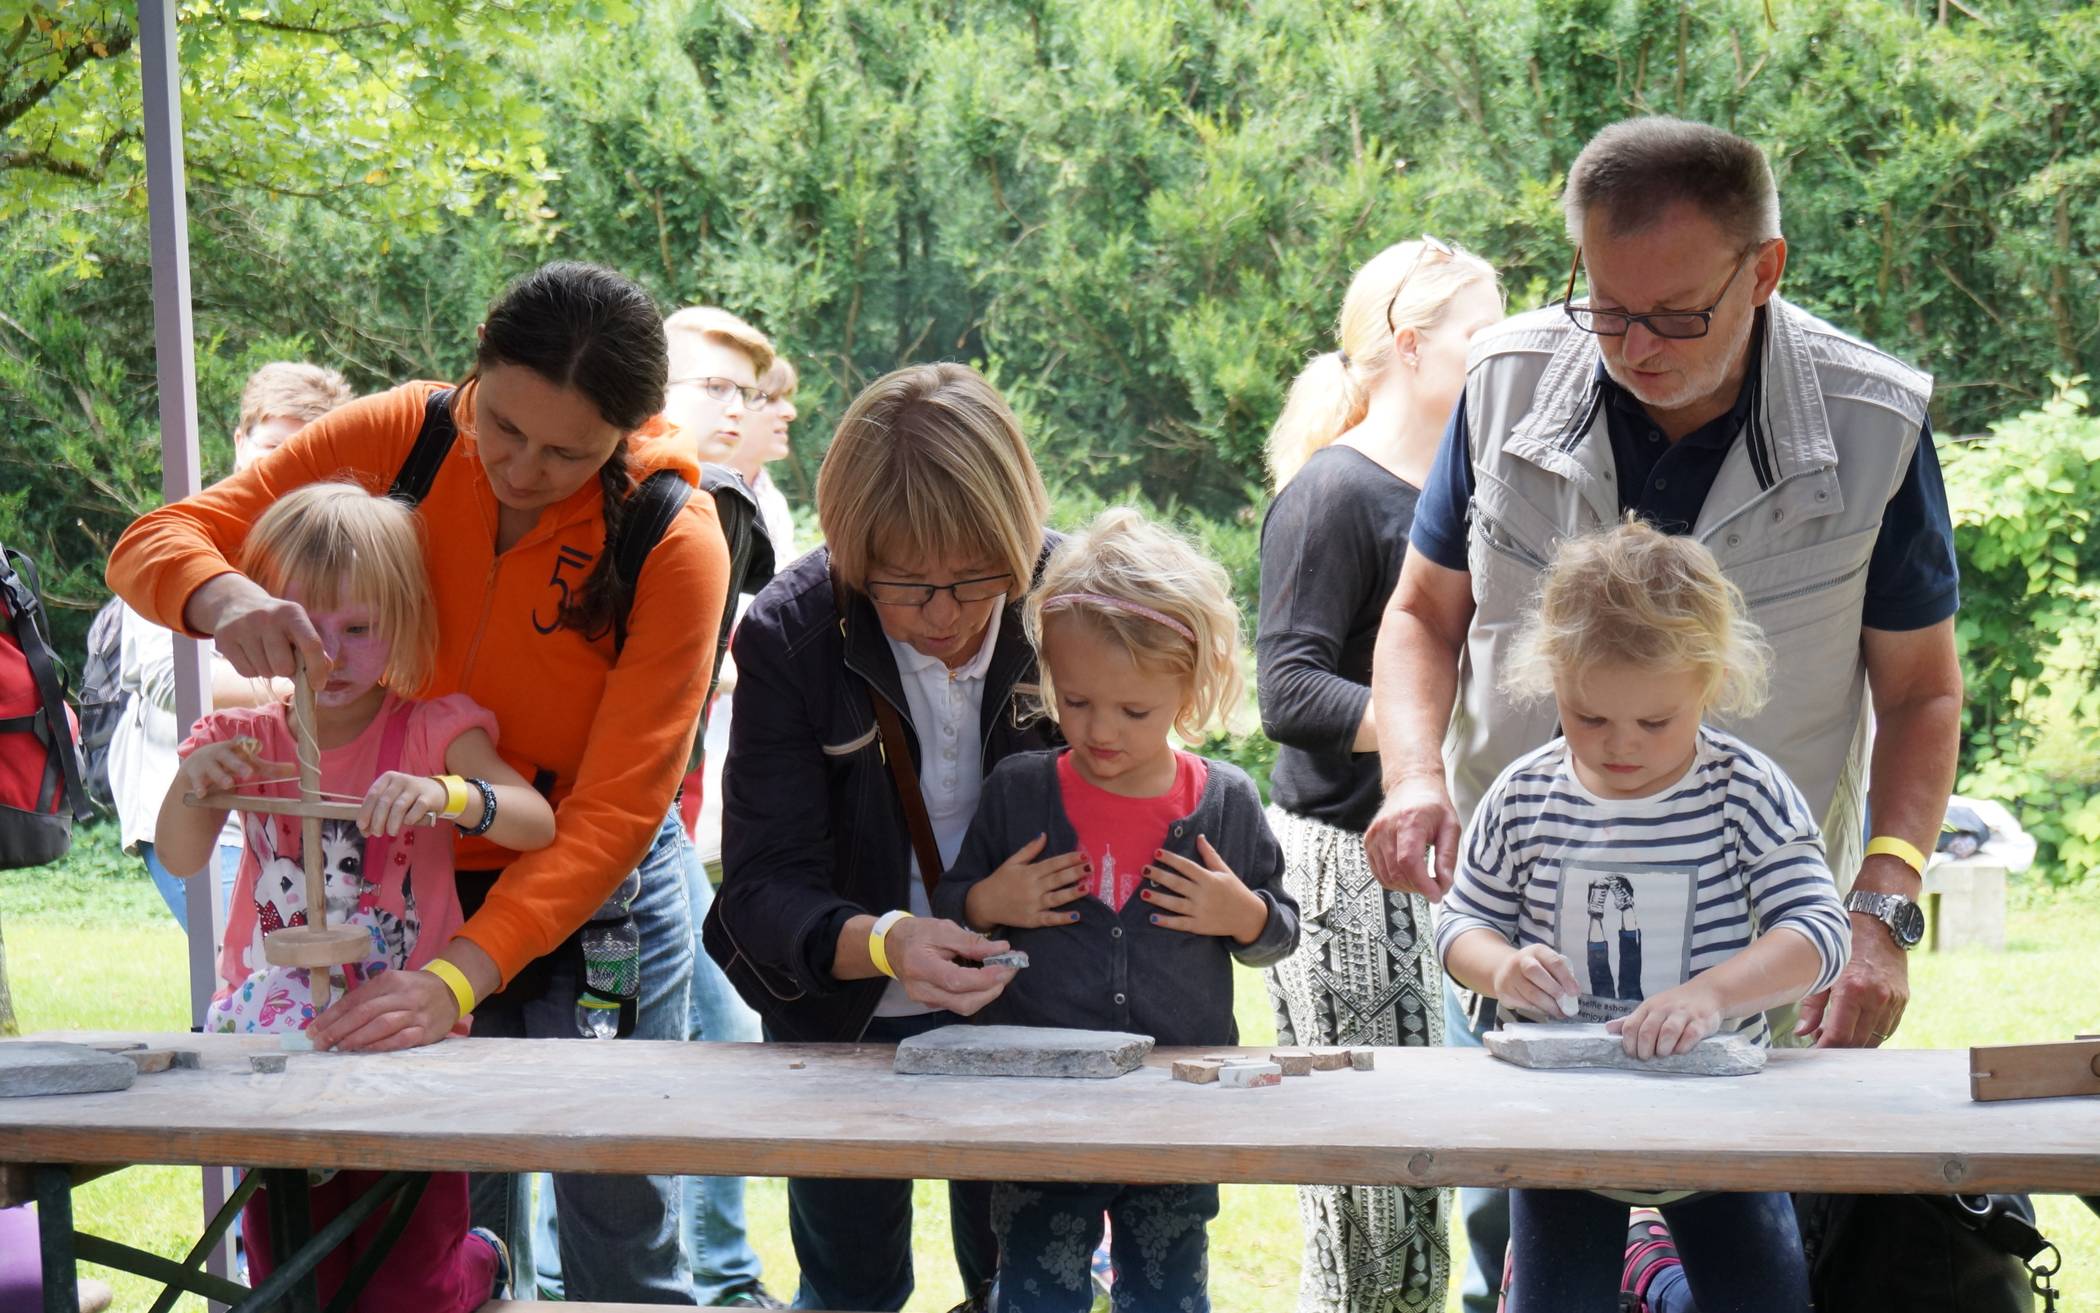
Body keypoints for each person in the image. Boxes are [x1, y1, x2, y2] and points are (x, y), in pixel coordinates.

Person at [1362, 117, 1962, 1310]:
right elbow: (1421, 616)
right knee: (1525, 1262)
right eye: (1606, 306)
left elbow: (1922, 690)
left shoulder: (1873, 423)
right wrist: (1416, 776)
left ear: (1765, 269)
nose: (1635, 345)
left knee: (1753, 1254)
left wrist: (1882, 903)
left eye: (1678, 314)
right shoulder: (1505, 381)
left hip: (1741, 954)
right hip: (1524, 930)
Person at [108, 260, 731, 1305]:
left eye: (567, 452)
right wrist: (224, 599)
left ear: (627, 432)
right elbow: (155, 539)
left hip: (589, 893)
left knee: (617, 1214)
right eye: (505, 429)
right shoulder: (405, 433)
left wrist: (457, 977)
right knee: (442, 1218)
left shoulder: (673, 536)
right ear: (475, 375)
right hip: (405, 880)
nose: (522, 468)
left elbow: (615, 812)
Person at [704, 362, 1058, 1313]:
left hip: (1029, 1017)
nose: (944, 614)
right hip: (842, 1021)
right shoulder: (792, 629)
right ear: (855, 552)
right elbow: (761, 889)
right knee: (851, 1286)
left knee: (1024, 1284)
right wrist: (884, 939)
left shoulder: (1072, 603)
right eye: (907, 587)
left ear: (1018, 538)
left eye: (977, 578)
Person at [154, 482, 558, 1309]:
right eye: (307, 629)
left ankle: (479, 1257)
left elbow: (535, 821)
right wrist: (195, 786)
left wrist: (450, 793)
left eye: (360, 628)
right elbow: (179, 855)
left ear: (405, 619)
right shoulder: (243, 741)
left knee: (410, 1280)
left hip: (403, 1037)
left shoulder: (432, 730)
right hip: (276, 1047)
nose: (330, 655)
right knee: (291, 1276)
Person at [1435, 520, 1848, 1313]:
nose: (1622, 745)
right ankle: (1645, 1270)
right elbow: (1459, 925)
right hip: (1563, 1131)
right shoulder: (1524, 796)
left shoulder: (1745, 792)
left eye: (1656, 722)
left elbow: (1818, 933)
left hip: (1722, 1131)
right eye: (1590, 718)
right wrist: (1502, 965)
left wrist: (1714, 995)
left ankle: (1652, 1271)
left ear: (1710, 683)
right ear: (1552, 678)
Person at [935, 508, 1300, 1313]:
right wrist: (990, 901)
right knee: (1036, 1291)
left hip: (1178, 1109)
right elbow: (954, 906)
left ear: (1190, 683)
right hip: (1041, 1111)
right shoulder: (1020, 791)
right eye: (1076, 700)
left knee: (1168, 1292)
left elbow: (1280, 927)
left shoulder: (1227, 803)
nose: (1100, 730)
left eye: (1134, 711)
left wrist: (1242, 914)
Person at [1256, 236, 1501, 1313]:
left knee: (1438, 1183)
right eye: (1481, 334)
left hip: (1452, 872)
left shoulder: (1476, 485)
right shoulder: (1333, 492)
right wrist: (1428, 742)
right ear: (1411, 345)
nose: (1507, 352)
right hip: (1346, 877)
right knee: (1370, 1202)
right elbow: (1289, 692)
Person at [524, 302, 782, 1309]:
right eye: (711, 385)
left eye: (748, 392)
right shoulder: (640, 497)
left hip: (646, 840)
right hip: (577, 841)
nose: (735, 408)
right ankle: (675, 1279)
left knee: (668, 1084)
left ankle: (708, 1275)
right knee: (620, 1104)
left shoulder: (721, 503)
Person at [113, 361, 353, 932]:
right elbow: (175, 683)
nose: (288, 469)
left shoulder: (326, 547)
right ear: (241, 440)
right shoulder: (186, 534)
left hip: (292, 805)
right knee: (251, 962)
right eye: (275, 447)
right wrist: (317, 679)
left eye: (306, 455)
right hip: (196, 799)